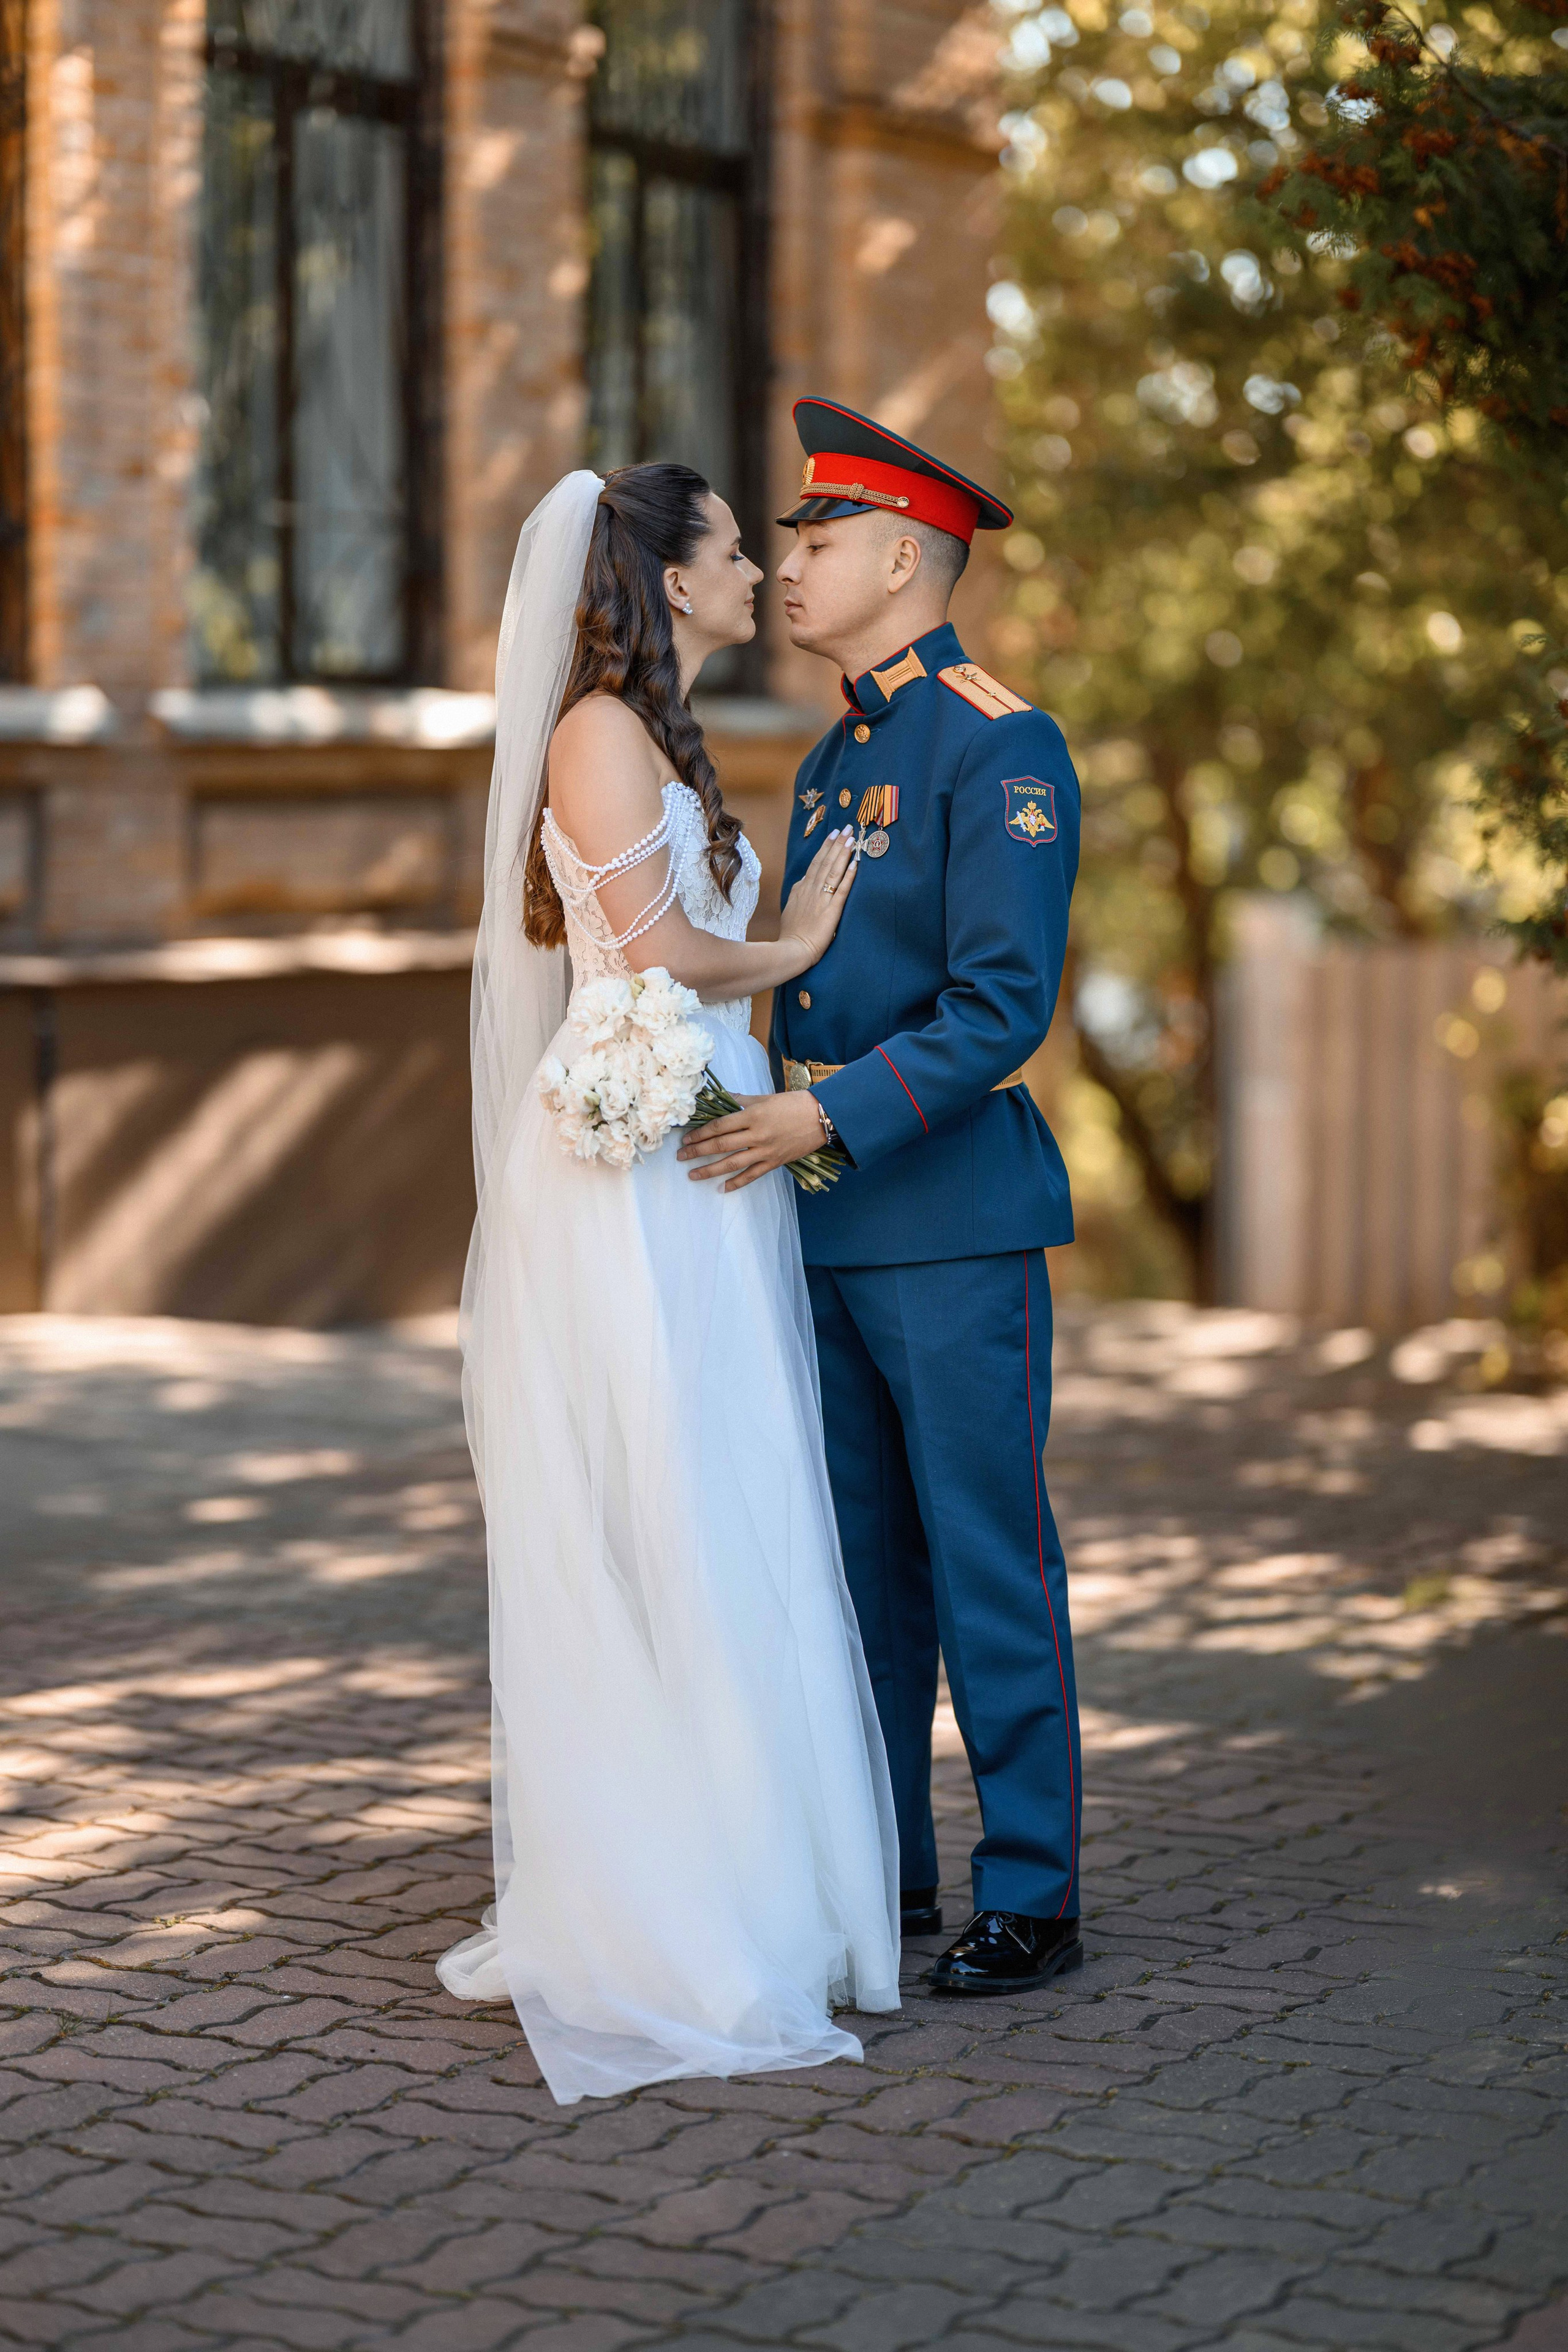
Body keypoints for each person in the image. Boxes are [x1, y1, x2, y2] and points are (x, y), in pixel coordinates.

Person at [437, 462, 900, 2103]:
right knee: (681, 1501)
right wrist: (802, 943)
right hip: (639, 1170)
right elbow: (652, 951)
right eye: (731, 551)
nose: (760, 570)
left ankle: (764, 1868)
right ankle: (678, 1901)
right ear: (666, 579)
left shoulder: (661, 731)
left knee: (739, 1489)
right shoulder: (597, 730)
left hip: (699, 1142)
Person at [679, 399, 1084, 1996]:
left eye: (821, 541)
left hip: (951, 1222)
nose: (791, 567)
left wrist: (818, 1117)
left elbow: (1001, 1006)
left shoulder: (998, 740)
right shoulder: (844, 746)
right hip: (829, 1217)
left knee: (986, 1555)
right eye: (790, 541)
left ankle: (1033, 1890)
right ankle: (889, 1876)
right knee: (858, 1571)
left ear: (909, 557)